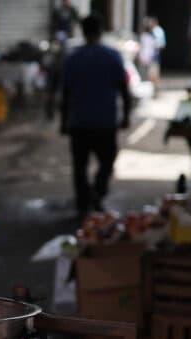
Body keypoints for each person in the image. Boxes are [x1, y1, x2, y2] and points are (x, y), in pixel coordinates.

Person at [60, 14, 132, 214]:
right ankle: (97, 193)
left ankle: (83, 202)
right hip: (105, 122)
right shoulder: (112, 56)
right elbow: (124, 89)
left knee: (80, 167)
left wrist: (63, 120)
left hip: (79, 122)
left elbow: (65, 93)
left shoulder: (74, 59)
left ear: (83, 32)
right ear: (100, 32)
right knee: (107, 162)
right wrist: (126, 115)